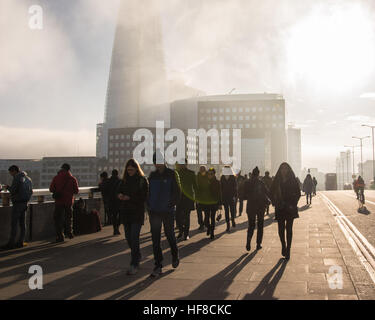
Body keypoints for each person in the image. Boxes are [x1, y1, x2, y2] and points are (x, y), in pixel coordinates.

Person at [147, 152, 180, 278]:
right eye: (155, 161)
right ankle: (158, 265)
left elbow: (177, 192)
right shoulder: (152, 175)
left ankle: (175, 254)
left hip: (168, 211)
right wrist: (149, 206)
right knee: (155, 239)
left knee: (169, 234)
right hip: (154, 211)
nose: (157, 164)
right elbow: (148, 192)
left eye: (159, 161)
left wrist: (171, 204)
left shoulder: (172, 174)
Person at [117, 159, 149, 275]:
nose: (129, 171)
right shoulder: (123, 181)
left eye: (132, 169)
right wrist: (120, 195)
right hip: (126, 213)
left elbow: (144, 197)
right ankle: (137, 255)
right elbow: (118, 191)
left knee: (134, 238)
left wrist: (130, 198)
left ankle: (134, 263)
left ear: (136, 169)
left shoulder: (142, 180)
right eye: (128, 170)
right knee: (128, 238)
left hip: (137, 213)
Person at [269, 162, 301, 260]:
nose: (284, 171)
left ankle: (288, 250)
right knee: (281, 229)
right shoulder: (276, 180)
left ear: (288, 170)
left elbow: (298, 193)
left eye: (285, 169)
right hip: (280, 208)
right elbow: (271, 192)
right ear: (280, 170)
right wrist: (275, 202)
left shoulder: (293, 180)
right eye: (282, 169)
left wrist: (293, 203)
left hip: (290, 208)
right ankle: (283, 245)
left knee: (289, 229)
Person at [1, 165, 33, 250]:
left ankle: (11, 243)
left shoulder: (17, 178)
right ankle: (21, 242)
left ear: (14, 171)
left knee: (14, 224)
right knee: (22, 224)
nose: (10, 174)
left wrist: (8, 187)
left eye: (11, 172)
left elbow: (13, 190)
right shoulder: (28, 179)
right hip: (25, 203)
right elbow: (31, 191)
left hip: (17, 203)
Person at [50, 163, 79, 242]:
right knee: (68, 217)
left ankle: (60, 236)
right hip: (69, 201)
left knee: (58, 218)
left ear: (61, 168)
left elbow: (51, 189)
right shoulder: (72, 179)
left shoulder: (56, 178)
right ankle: (69, 232)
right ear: (69, 170)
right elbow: (76, 191)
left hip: (59, 202)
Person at [244, 167, 270, 252]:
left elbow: (243, 194)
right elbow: (266, 193)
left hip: (251, 207)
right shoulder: (261, 183)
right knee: (260, 226)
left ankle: (248, 240)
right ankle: (258, 244)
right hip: (260, 207)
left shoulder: (247, 182)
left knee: (251, 225)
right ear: (258, 174)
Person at [175, 159, 197, 241]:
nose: (181, 165)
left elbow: (195, 186)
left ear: (186, 164)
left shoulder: (191, 173)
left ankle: (186, 234)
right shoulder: (176, 173)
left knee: (187, 216)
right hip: (178, 198)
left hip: (188, 198)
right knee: (177, 216)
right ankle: (181, 230)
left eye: (183, 164)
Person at [206, 168, 222, 239]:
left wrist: (220, 204)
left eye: (211, 174)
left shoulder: (217, 182)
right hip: (206, 202)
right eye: (208, 174)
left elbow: (219, 193)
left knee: (212, 218)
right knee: (206, 219)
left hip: (214, 203)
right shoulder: (205, 181)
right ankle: (209, 227)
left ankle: (212, 232)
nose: (210, 175)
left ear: (214, 174)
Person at [220, 166, 237, 232]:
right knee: (226, 211)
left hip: (231, 196)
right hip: (224, 196)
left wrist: (235, 195)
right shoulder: (222, 177)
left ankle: (233, 220)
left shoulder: (233, 177)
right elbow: (221, 188)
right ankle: (228, 224)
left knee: (232, 210)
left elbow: (235, 187)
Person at [107, 169, 122, 235]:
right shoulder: (120, 181)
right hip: (119, 201)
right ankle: (117, 227)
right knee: (120, 215)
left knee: (114, 215)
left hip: (111, 201)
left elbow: (104, 188)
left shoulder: (108, 181)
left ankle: (115, 229)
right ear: (117, 174)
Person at [196, 166, 209, 231]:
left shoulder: (208, 176)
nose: (202, 170)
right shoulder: (197, 176)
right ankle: (201, 224)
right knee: (199, 212)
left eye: (203, 169)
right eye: (201, 169)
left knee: (206, 212)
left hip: (206, 197)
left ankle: (205, 223)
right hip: (199, 197)